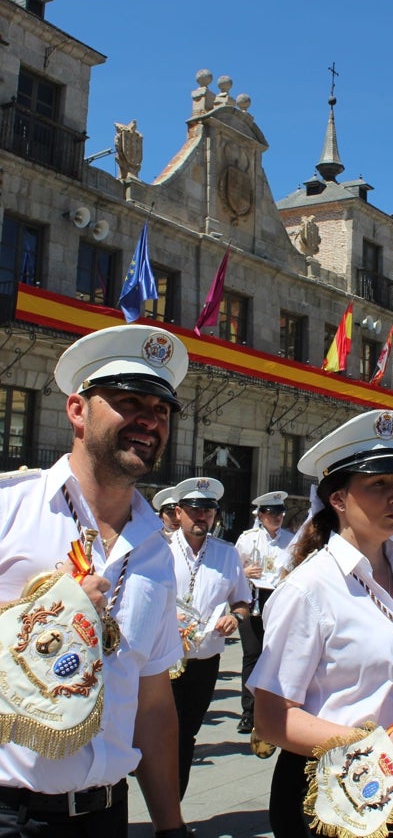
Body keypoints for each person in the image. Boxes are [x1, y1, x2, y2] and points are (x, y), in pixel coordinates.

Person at [0, 323, 190, 837]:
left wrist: (171, 827)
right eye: (130, 402)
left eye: (162, 411)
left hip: (106, 814)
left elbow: (152, 704)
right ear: (77, 410)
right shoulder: (9, 508)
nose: (149, 421)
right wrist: (45, 616)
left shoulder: (155, 548)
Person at [249, 410, 393, 837]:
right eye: (378, 486)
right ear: (338, 500)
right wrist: (376, 747)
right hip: (329, 795)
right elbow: (270, 718)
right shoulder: (309, 589)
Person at [168, 476, 250, 798]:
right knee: (165, 735)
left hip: (204, 659)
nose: (202, 517)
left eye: (209, 511)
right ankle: (163, 811)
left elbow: (242, 602)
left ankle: (173, 806)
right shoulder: (159, 549)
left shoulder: (227, 554)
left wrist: (234, 617)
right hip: (164, 659)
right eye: (194, 510)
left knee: (187, 735)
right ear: (179, 512)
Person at [235, 491, 293, 734]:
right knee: (252, 654)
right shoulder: (248, 539)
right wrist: (244, 572)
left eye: (280, 512)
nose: (277, 517)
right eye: (271, 513)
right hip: (253, 597)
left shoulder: (290, 539)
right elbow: (233, 570)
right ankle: (249, 711)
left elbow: (297, 565)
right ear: (261, 515)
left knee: (276, 655)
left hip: (278, 598)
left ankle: (272, 708)